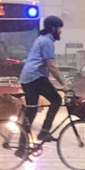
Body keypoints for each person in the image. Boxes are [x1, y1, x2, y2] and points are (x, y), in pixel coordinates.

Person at [18, 15, 66, 148]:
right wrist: (63, 84)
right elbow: (51, 66)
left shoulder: (41, 39)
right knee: (56, 100)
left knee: (31, 112)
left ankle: (22, 148)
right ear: (53, 28)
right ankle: (44, 132)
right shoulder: (47, 42)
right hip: (35, 77)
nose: (60, 31)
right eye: (59, 28)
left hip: (29, 78)